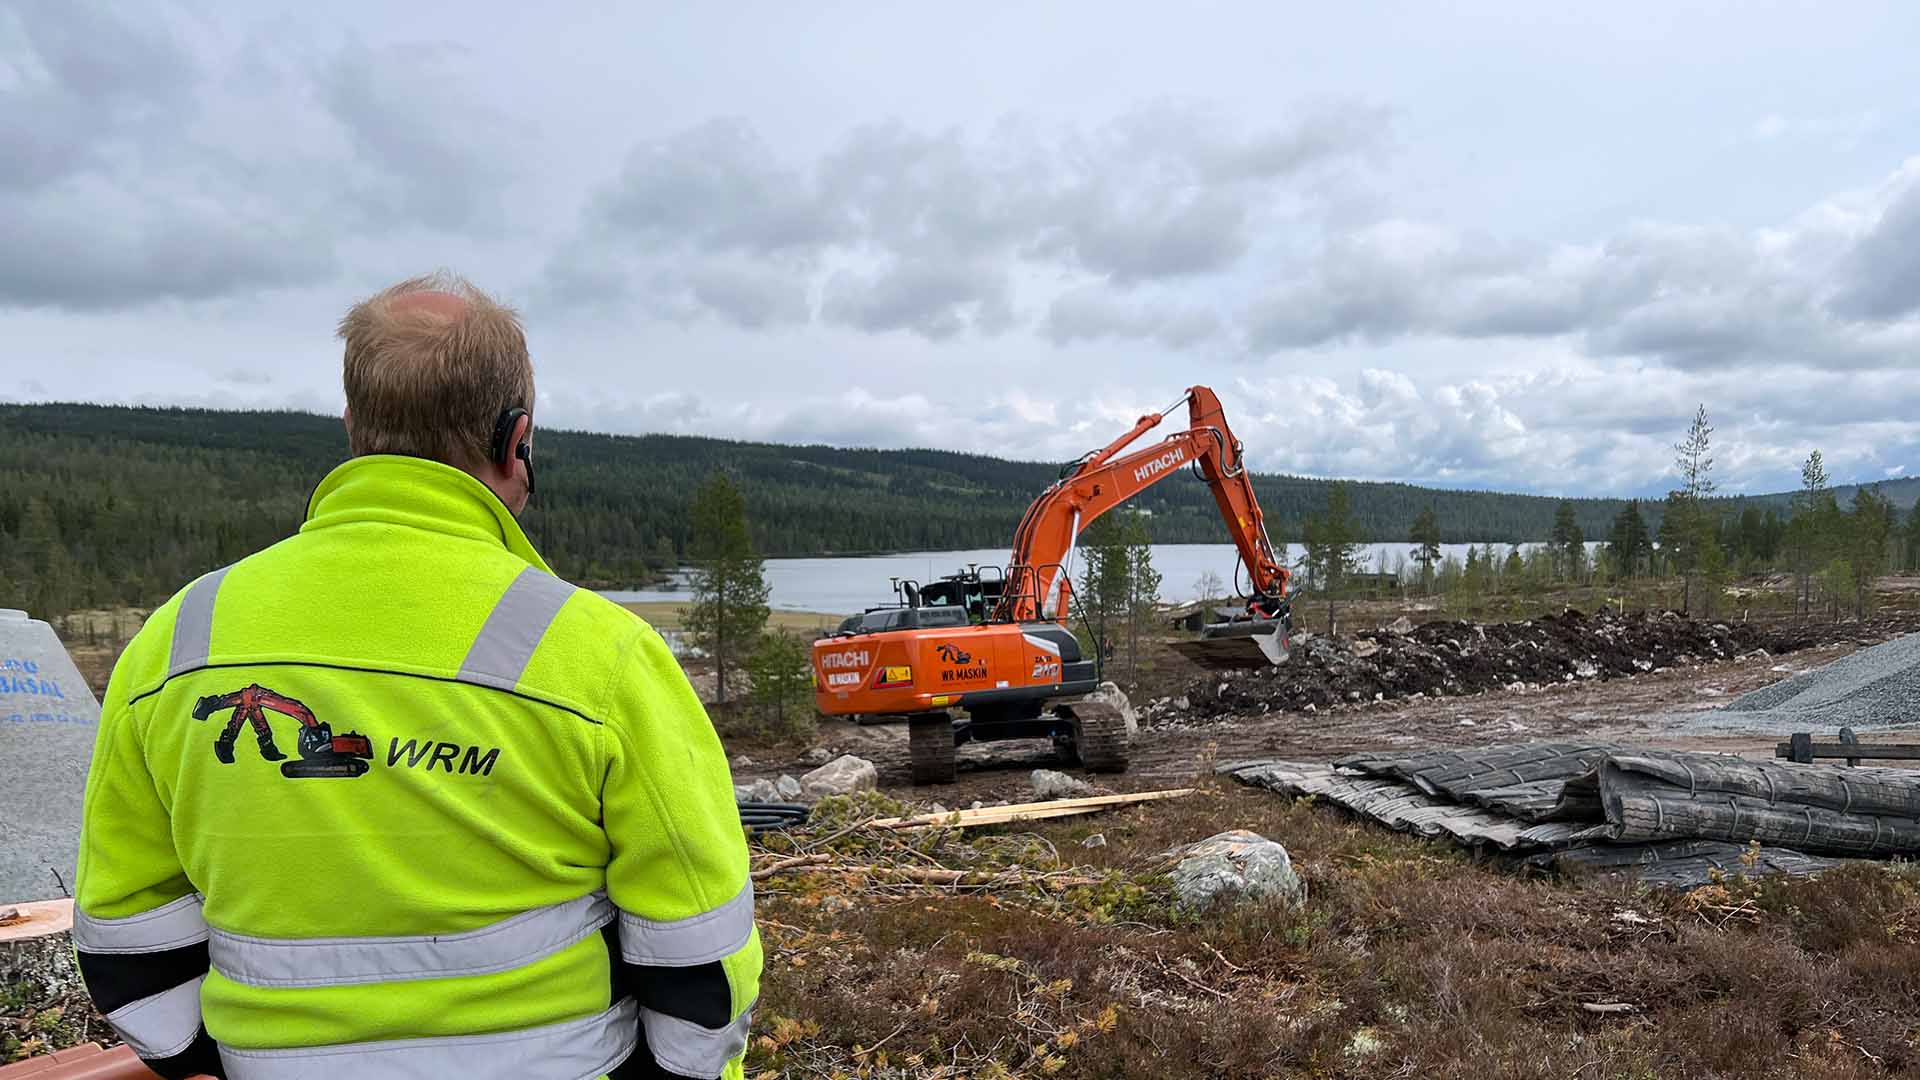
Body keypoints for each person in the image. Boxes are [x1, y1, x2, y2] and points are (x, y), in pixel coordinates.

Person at [72, 274, 759, 1080]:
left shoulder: (177, 641)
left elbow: (124, 930)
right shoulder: (599, 654)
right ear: (518, 442)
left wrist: (209, 1060)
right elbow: (700, 948)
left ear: (354, 426)